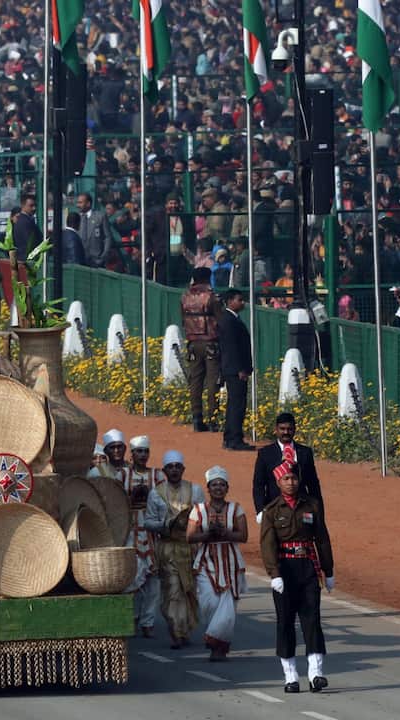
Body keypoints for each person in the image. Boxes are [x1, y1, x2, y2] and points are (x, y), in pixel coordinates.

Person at [261, 465, 334, 693]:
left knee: (312, 620)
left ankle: (316, 673)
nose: (291, 482)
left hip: (308, 567)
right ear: (278, 482)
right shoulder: (272, 510)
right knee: (285, 623)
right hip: (285, 569)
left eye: (293, 478)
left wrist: (328, 571)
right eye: (286, 478)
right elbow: (267, 544)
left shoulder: (311, 505)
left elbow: (321, 538)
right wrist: (274, 574)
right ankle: (290, 676)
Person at [144, 450, 205, 649]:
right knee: (172, 590)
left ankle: (185, 629)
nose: (174, 470)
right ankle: (176, 632)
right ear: (164, 470)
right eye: (170, 467)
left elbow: (203, 517)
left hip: (189, 549)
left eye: (178, 467)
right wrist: (165, 525)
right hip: (168, 548)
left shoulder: (195, 490)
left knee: (189, 591)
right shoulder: (156, 493)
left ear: (183, 469)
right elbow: (148, 522)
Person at [187, 466, 248, 661]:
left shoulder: (236, 509)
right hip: (207, 561)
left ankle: (217, 646)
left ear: (227, 488)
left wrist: (225, 534)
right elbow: (189, 537)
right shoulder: (198, 510)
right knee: (210, 602)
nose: (218, 488)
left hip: (231, 561)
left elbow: (243, 535)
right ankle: (215, 637)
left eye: (222, 485)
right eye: (214, 485)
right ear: (208, 488)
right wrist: (208, 535)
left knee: (228, 607)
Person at [252, 412, 323, 521]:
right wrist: (260, 511)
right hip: (274, 509)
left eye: (289, 429)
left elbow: (313, 484)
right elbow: (259, 485)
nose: (286, 432)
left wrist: (318, 509)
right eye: (282, 429)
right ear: (276, 429)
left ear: (295, 429)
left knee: (304, 537)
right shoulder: (265, 453)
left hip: (301, 508)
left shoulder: (305, 452)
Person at [124, 434, 161, 638]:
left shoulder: (158, 476)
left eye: (146, 451)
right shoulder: (122, 476)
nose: (143, 455)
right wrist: (131, 497)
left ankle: (148, 621)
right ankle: (132, 617)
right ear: (132, 454)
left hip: (152, 532)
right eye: (139, 451)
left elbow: (165, 502)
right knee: (132, 578)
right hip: (130, 533)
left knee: (154, 582)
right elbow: (115, 501)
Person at [181, 267, 221, 432]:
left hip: (192, 342)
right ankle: (212, 419)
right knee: (213, 382)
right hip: (210, 343)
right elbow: (221, 320)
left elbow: (183, 320)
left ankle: (197, 417)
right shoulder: (212, 297)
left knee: (195, 382)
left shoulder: (185, 297)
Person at [217, 289, 254, 450]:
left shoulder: (230, 319)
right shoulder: (229, 321)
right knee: (237, 405)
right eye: (239, 300)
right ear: (230, 301)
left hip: (232, 368)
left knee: (235, 404)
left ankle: (231, 437)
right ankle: (234, 439)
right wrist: (240, 368)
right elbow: (232, 348)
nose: (242, 302)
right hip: (235, 369)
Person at [77, 193, 111, 268]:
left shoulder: (100, 216)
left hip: (97, 261)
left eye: (80, 202)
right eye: (78, 202)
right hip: (80, 261)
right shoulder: (77, 218)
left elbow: (107, 237)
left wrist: (103, 256)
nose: (78, 205)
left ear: (88, 203)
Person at [10, 194, 39, 262]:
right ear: (23, 206)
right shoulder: (24, 222)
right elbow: (30, 243)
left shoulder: (25, 220)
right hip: (27, 260)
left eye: (35, 205)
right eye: (31, 206)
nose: (34, 208)